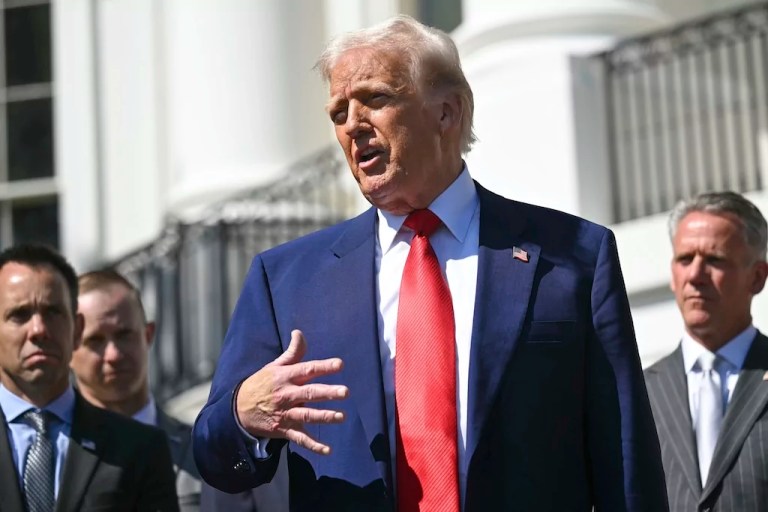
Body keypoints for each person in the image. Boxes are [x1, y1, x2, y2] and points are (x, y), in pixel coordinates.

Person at [193, 14, 668, 511]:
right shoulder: (286, 279)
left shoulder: (573, 255)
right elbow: (214, 456)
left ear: (447, 112)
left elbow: (626, 462)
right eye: (338, 113)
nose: (353, 125)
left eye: (375, 98)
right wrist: (243, 415)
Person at [0, 244, 178, 511]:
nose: (38, 329)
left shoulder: (140, 448)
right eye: (19, 315)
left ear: (77, 330)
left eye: (53, 312)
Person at [644, 191, 768, 511]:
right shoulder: (637, 392)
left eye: (714, 260)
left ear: (757, 277)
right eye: (685, 259)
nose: (695, 276)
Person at [70, 269, 202, 511]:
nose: (114, 355)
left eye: (124, 335)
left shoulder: (203, 452)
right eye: (95, 341)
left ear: (148, 335)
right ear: (68, 349)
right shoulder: (54, 461)